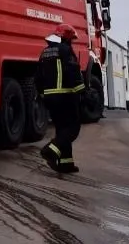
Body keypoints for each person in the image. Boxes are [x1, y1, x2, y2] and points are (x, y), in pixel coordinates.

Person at [37, 23, 85, 174]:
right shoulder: (65, 50)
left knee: (62, 129)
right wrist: (82, 92)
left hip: (50, 98)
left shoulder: (44, 52)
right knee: (72, 128)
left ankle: (65, 163)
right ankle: (50, 150)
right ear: (66, 38)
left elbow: (37, 76)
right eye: (71, 39)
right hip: (65, 96)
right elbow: (72, 72)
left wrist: (42, 94)